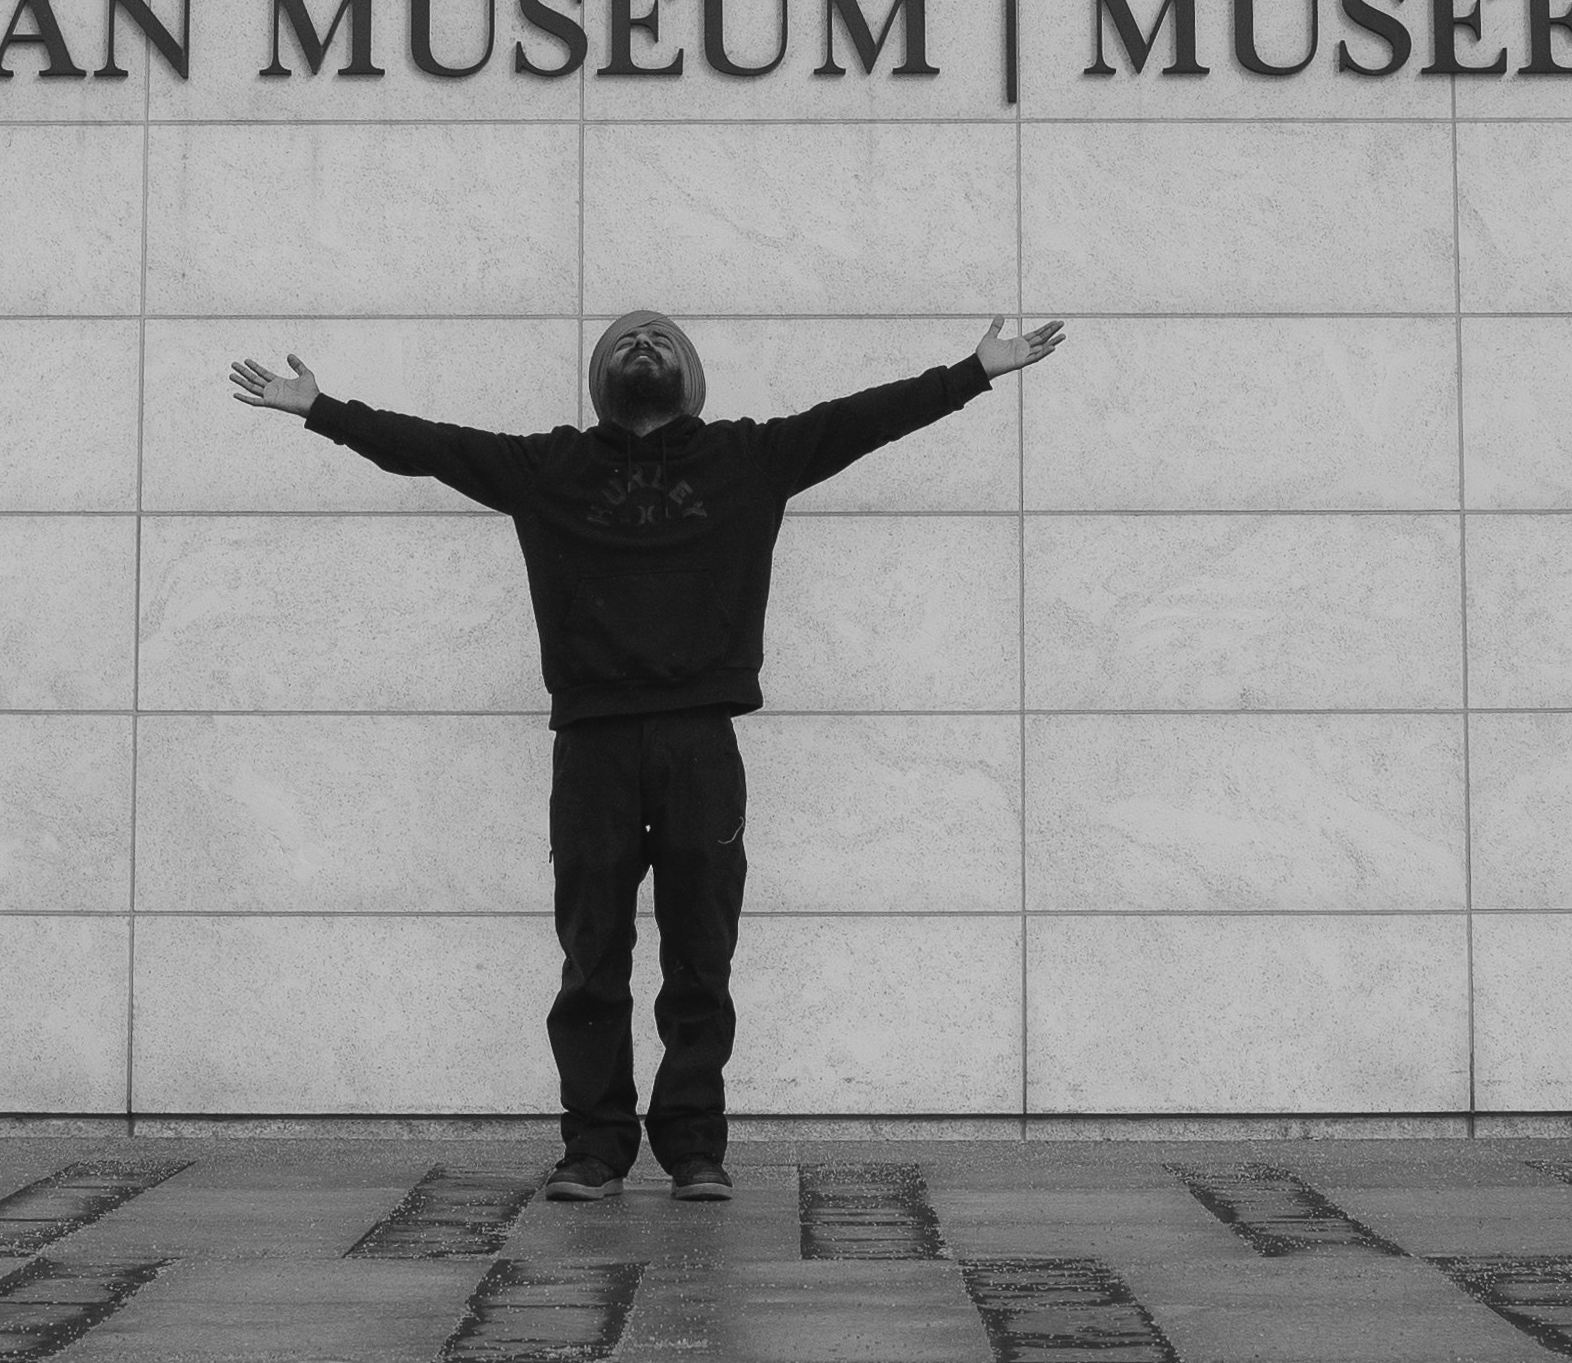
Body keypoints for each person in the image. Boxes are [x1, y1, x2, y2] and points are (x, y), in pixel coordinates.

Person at [230, 307, 1068, 1198]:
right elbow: (428, 445)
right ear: (600, 376)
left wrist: (971, 372)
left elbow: (866, 419)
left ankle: (693, 1147)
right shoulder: (546, 469)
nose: (644, 344)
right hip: (591, 745)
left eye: (662, 337)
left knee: (700, 952)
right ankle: (593, 1147)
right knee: (591, 952)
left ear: (692, 374)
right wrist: (321, 409)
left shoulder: (751, 459)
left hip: (699, 741)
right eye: (628, 338)